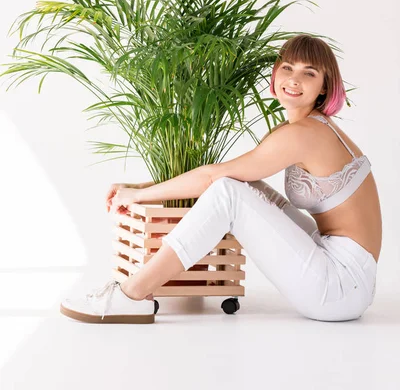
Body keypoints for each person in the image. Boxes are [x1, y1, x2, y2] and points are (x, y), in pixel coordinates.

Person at [60, 34, 381, 324]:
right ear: (275, 72)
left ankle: (132, 294)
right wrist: (143, 188)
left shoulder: (303, 134)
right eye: (287, 68)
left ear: (324, 85)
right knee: (242, 187)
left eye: (308, 73)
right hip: (350, 278)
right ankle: (133, 294)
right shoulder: (314, 127)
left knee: (228, 191)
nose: (293, 79)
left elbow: (216, 176)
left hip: (338, 286)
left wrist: (139, 197)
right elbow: (236, 178)